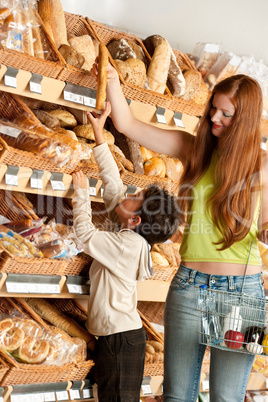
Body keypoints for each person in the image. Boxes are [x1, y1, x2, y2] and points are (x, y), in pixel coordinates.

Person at [91, 62, 268, 402]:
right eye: (213, 109)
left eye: (226, 114)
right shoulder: (195, 149)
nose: (214, 118)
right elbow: (127, 124)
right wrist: (111, 79)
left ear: (244, 119)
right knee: (176, 396)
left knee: (227, 397)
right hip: (189, 286)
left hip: (242, 294)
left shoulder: (262, 165)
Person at [72, 101, 180, 402]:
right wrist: (99, 135)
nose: (128, 194)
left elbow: (85, 234)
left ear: (135, 220)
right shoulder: (134, 236)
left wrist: (80, 192)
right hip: (121, 338)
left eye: (135, 197)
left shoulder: (127, 245)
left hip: (120, 342)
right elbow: (114, 187)